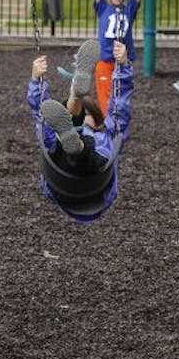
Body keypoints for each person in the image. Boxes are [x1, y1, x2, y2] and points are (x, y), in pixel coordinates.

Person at [26, 39, 132, 222]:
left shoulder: (102, 134)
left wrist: (37, 82)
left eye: (87, 116)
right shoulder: (106, 137)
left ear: (98, 121)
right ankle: (76, 99)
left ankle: (75, 98)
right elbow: (120, 108)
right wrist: (123, 67)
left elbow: (42, 118)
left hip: (65, 184)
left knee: (57, 139)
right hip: (95, 186)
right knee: (69, 140)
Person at [86, 0, 162, 114]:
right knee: (106, 99)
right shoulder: (103, 7)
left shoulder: (129, 9)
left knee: (122, 99)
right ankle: (108, 127)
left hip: (123, 63)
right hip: (105, 61)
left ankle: (118, 126)